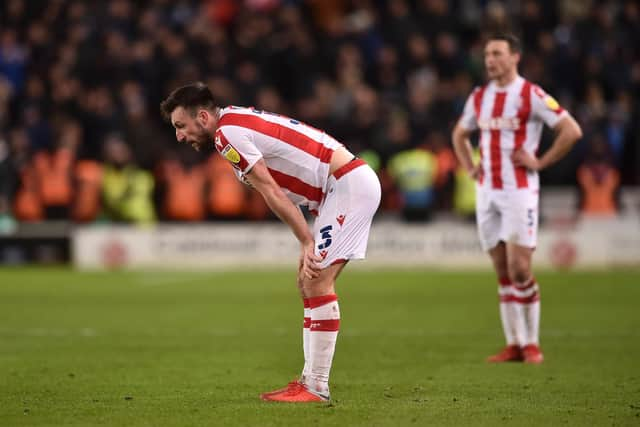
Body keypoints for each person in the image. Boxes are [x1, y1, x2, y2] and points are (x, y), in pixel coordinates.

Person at [160, 82, 381, 402]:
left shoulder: (227, 135)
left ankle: (316, 387)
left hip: (346, 185)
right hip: (335, 190)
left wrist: (307, 241)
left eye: (181, 126)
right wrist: (307, 238)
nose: (179, 135)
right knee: (308, 282)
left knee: (316, 280)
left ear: (204, 117)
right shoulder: (233, 121)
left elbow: (272, 191)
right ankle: (309, 380)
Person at [451, 34, 582, 364]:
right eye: (486, 54)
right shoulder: (480, 97)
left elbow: (571, 130)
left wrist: (541, 162)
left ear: (515, 57)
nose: (489, 60)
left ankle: (532, 343)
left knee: (520, 268)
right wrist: (470, 167)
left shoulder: (531, 94)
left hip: (519, 191)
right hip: (487, 192)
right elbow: (459, 134)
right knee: (502, 271)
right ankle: (515, 344)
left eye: (496, 53)